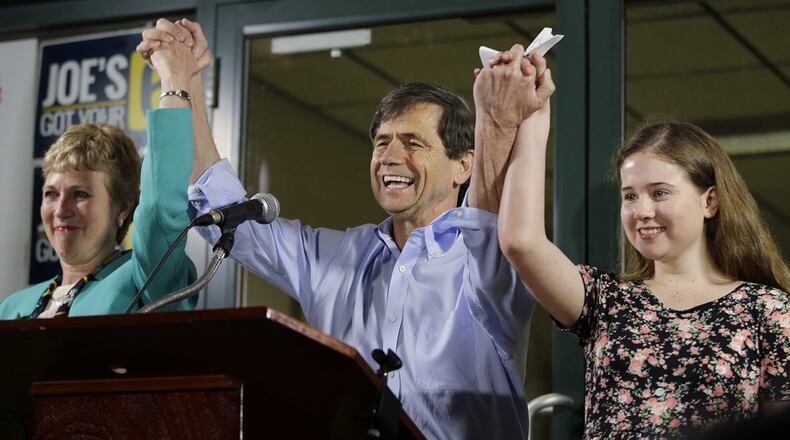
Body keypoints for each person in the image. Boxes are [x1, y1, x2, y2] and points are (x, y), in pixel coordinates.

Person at [138, 18, 553, 439]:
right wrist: (181, 78)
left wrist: (499, 118)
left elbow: (487, 218)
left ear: (462, 165)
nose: (389, 157)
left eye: (413, 143)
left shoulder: (491, 257)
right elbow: (224, 208)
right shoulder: (335, 258)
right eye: (381, 142)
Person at [495, 64, 790, 437]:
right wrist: (535, 115)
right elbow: (520, 242)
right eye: (630, 196)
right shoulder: (607, 300)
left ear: (709, 201)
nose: (642, 211)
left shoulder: (768, 311)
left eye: (660, 193)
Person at [0, 37, 201, 319]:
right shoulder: (11, 308)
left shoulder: (144, 281)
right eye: (51, 194)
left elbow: (159, 210)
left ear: (122, 208)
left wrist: (174, 79)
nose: (60, 210)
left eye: (80, 194)